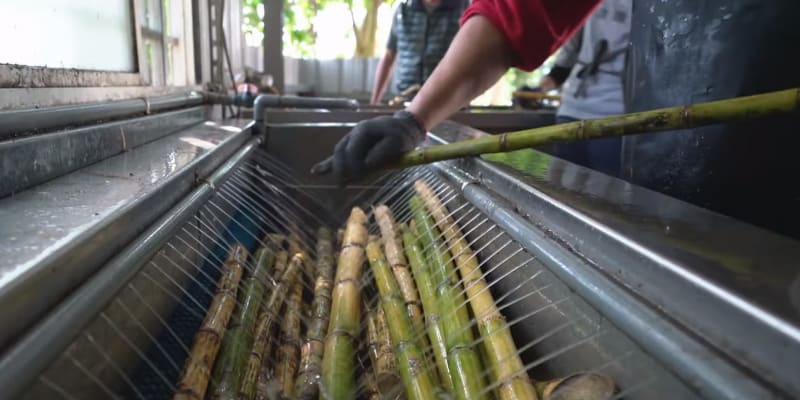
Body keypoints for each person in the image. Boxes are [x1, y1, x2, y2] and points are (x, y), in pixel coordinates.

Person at [313, 0, 601, 180]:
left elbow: (510, 18)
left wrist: (416, 116)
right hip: (421, 103)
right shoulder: (404, 11)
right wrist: (412, 119)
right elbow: (509, 17)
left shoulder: (459, 5)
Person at [538, 0, 631, 177]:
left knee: (602, 188)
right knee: (561, 184)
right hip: (574, 110)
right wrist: (538, 90)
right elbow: (564, 64)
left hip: (613, 116)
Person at [370, 0, 467, 105]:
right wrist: (375, 101)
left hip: (449, 101)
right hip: (406, 99)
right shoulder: (403, 11)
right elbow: (389, 57)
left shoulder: (462, 8)